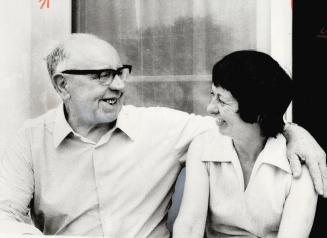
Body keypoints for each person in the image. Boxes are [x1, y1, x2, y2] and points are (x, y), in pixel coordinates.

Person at [0, 34, 325, 237]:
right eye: (102, 76)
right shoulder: (30, 141)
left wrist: (293, 132)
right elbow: (4, 216)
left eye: (119, 73)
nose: (118, 86)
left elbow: (245, 126)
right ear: (62, 85)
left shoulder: (162, 128)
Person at [173, 50, 318, 238]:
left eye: (222, 101)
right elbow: (189, 225)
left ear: (256, 113)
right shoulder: (203, 146)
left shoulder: (299, 166)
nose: (210, 108)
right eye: (212, 94)